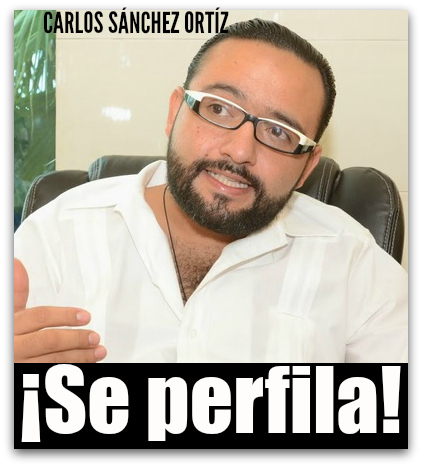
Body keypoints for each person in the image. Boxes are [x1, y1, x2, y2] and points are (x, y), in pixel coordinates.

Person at [14, 19, 407, 363]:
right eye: (219, 108)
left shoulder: (354, 265)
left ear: (307, 166)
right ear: (175, 112)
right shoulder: (57, 236)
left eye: (278, 132)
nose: (240, 150)